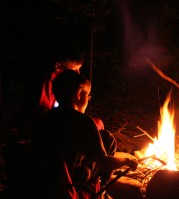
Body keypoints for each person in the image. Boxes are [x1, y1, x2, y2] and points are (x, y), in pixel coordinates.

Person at [31, 69, 138, 199]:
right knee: (107, 139)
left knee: (103, 136)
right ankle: (101, 189)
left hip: (44, 177)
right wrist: (127, 161)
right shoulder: (82, 121)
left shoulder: (45, 118)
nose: (88, 98)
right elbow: (104, 163)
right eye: (88, 94)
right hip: (71, 182)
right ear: (78, 93)